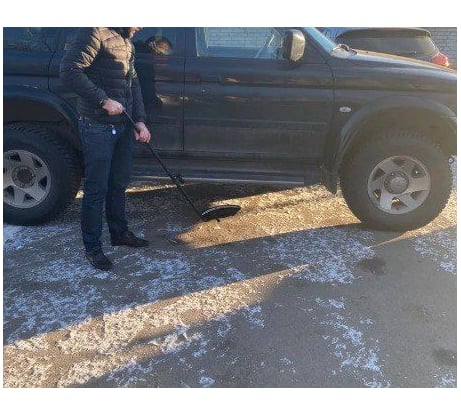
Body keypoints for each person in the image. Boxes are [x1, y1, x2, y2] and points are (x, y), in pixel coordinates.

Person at [60, 27, 151, 271]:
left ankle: (119, 233)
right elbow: (69, 71)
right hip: (97, 125)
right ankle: (93, 248)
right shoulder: (94, 32)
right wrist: (103, 100)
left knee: (118, 183)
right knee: (96, 188)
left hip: (124, 126)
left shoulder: (126, 41)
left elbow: (133, 83)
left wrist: (140, 120)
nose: (142, 26)